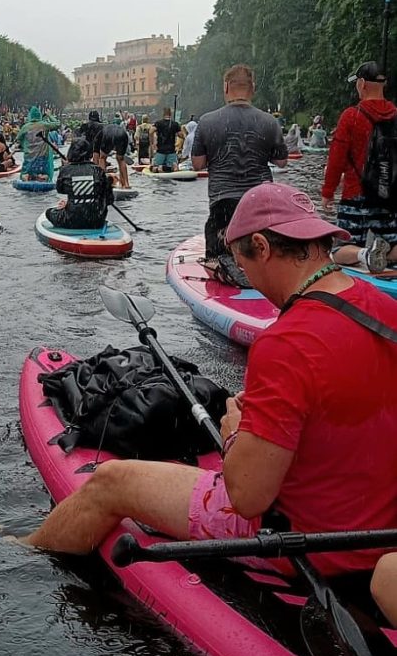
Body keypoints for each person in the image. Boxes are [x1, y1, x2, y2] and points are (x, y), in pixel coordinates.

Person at [20, 182, 397, 622]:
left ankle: (22, 553)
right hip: (380, 528)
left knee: (110, 482)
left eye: (243, 266)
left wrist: (235, 429)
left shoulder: (286, 344)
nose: (246, 279)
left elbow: (249, 497)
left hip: (309, 542)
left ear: (261, 245)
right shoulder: (384, 309)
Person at [192, 64, 288, 261]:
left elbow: (198, 164)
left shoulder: (207, 121)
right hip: (260, 200)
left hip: (222, 202)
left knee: (218, 260)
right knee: (260, 255)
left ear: (226, 87)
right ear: (252, 87)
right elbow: (282, 161)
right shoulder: (269, 122)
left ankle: (219, 267)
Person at [321, 61, 397, 273]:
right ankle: (383, 255)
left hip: (356, 194)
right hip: (388, 196)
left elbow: (336, 159)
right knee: (393, 242)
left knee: (337, 252)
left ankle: (364, 254)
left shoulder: (351, 116)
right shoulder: (395, 115)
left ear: (362, 84)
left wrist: (328, 192)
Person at [46, 138, 112, 230]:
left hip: (71, 220)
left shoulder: (66, 170)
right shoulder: (98, 170)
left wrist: (65, 168)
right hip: (96, 220)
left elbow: (60, 189)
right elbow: (109, 200)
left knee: (49, 212)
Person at [16, 106, 53, 180]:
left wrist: (23, 145)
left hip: (29, 156)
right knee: (43, 173)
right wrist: (50, 115)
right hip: (42, 156)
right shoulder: (44, 125)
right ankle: (41, 177)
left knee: (25, 173)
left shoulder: (25, 127)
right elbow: (57, 123)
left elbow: (18, 138)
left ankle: (26, 177)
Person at [94, 120, 131, 188]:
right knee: (120, 159)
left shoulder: (97, 137)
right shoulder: (103, 130)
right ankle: (126, 184)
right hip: (122, 134)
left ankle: (103, 183)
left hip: (109, 135)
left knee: (102, 158)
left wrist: (96, 176)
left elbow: (95, 159)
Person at [151, 108, 182, 173]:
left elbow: (151, 131)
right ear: (170, 114)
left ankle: (159, 168)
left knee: (153, 168)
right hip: (171, 150)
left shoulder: (158, 123)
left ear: (163, 114)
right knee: (174, 167)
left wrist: (152, 143)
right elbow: (180, 135)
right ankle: (172, 168)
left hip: (160, 150)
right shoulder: (175, 124)